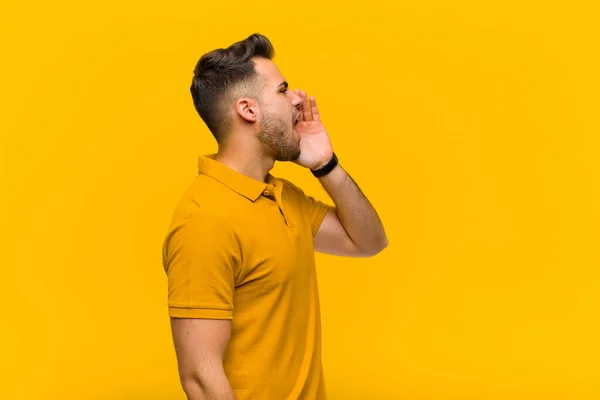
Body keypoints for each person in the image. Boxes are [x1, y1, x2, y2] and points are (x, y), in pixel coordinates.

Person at [161, 33, 388, 400]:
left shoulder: (283, 196)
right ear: (248, 110)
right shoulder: (204, 221)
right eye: (283, 90)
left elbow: (369, 241)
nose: (298, 99)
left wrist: (325, 164)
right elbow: (201, 378)